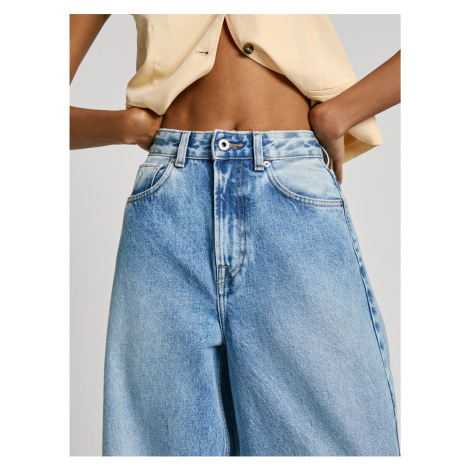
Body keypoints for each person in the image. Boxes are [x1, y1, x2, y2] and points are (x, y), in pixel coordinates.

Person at [70, 14, 401, 456]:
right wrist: (125, 127)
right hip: (169, 202)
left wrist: (339, 112)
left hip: (289, 188)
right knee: (158, 448)